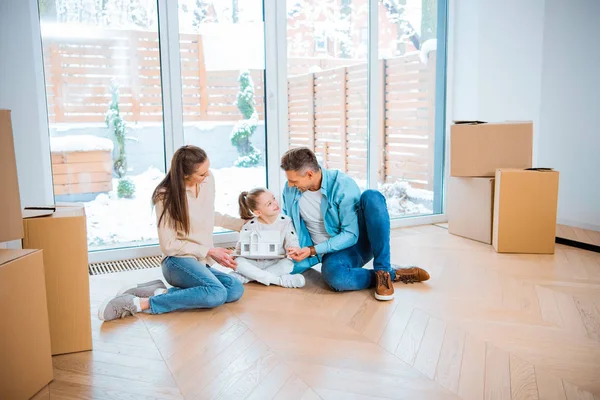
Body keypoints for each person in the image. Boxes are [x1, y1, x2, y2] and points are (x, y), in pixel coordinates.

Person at [98, 145, 246, 321]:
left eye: (208, 170)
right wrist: (208, 251)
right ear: (185, 175)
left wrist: (242, 225)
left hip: (199, 262)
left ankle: (160, 291)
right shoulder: (165, 196)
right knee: (216, 294)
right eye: (201, 174)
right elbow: (169, 245)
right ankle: (139, 303)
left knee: (234, 288)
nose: (207, 176)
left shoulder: (208, 180)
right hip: (177, 262)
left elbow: (207, 215)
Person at [281, 147, 430, 301]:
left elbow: (350, 235)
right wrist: (290, 245)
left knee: (372, 197)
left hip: (354, 244)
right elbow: (288, 222)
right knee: (336, 277)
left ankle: (383, 271)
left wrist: (313, 250)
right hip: (322, 252)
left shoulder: (342, 185)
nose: (290, 185)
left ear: (309, 174)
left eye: (294, 181)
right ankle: (393, 274)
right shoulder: (290, 190)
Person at [230, 188, 306, 288]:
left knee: (287, 264)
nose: (275, 203)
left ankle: (247, 278)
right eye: (269, 204)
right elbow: (240, 248)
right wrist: (234, 255)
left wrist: (294, 248)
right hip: (254, 262)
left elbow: (292, 240)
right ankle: (280, 281)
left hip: (275, 262)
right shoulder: (250, 226)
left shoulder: (285, 221)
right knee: (239, 262)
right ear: (257, 212)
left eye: (273, 199)